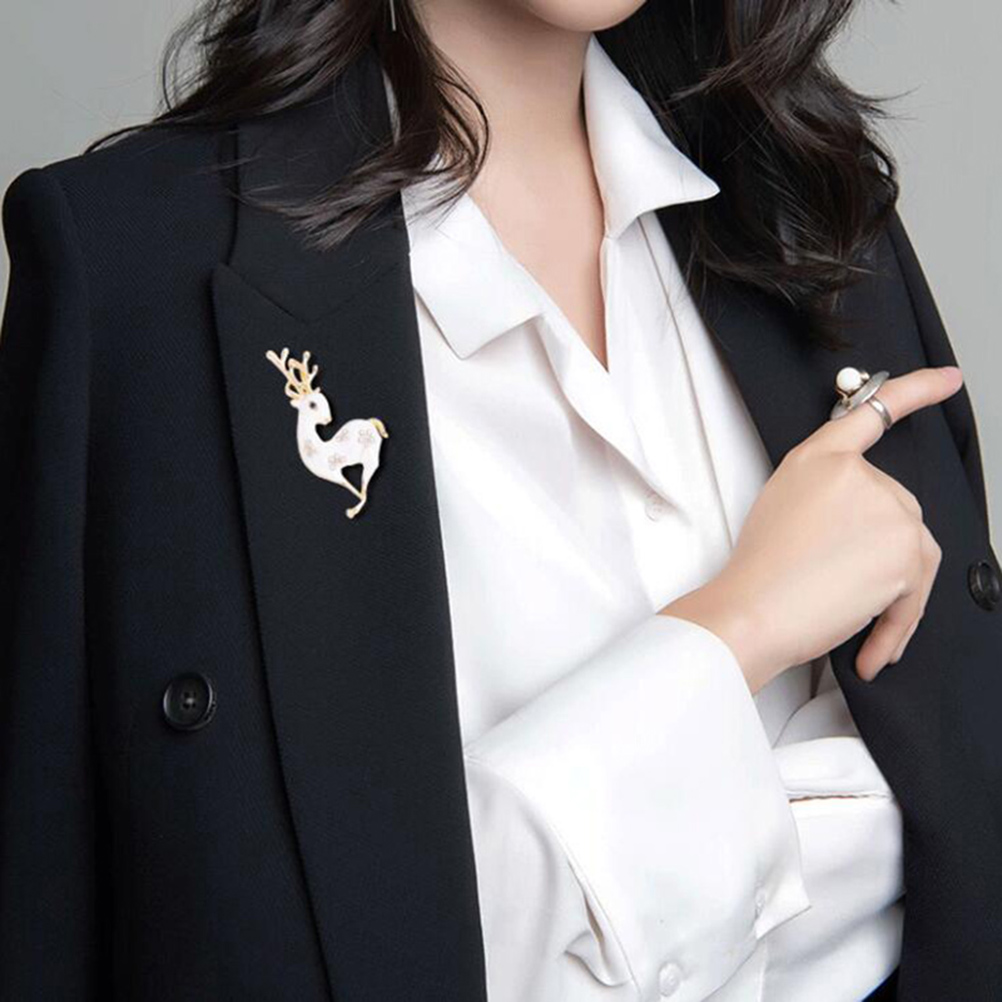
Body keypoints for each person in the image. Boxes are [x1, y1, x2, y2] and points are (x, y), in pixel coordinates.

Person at [1, 1, 999, 1000]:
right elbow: (340, 943)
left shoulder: (814, 195)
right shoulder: (135, 273)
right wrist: (740, 631)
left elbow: (959, 846)